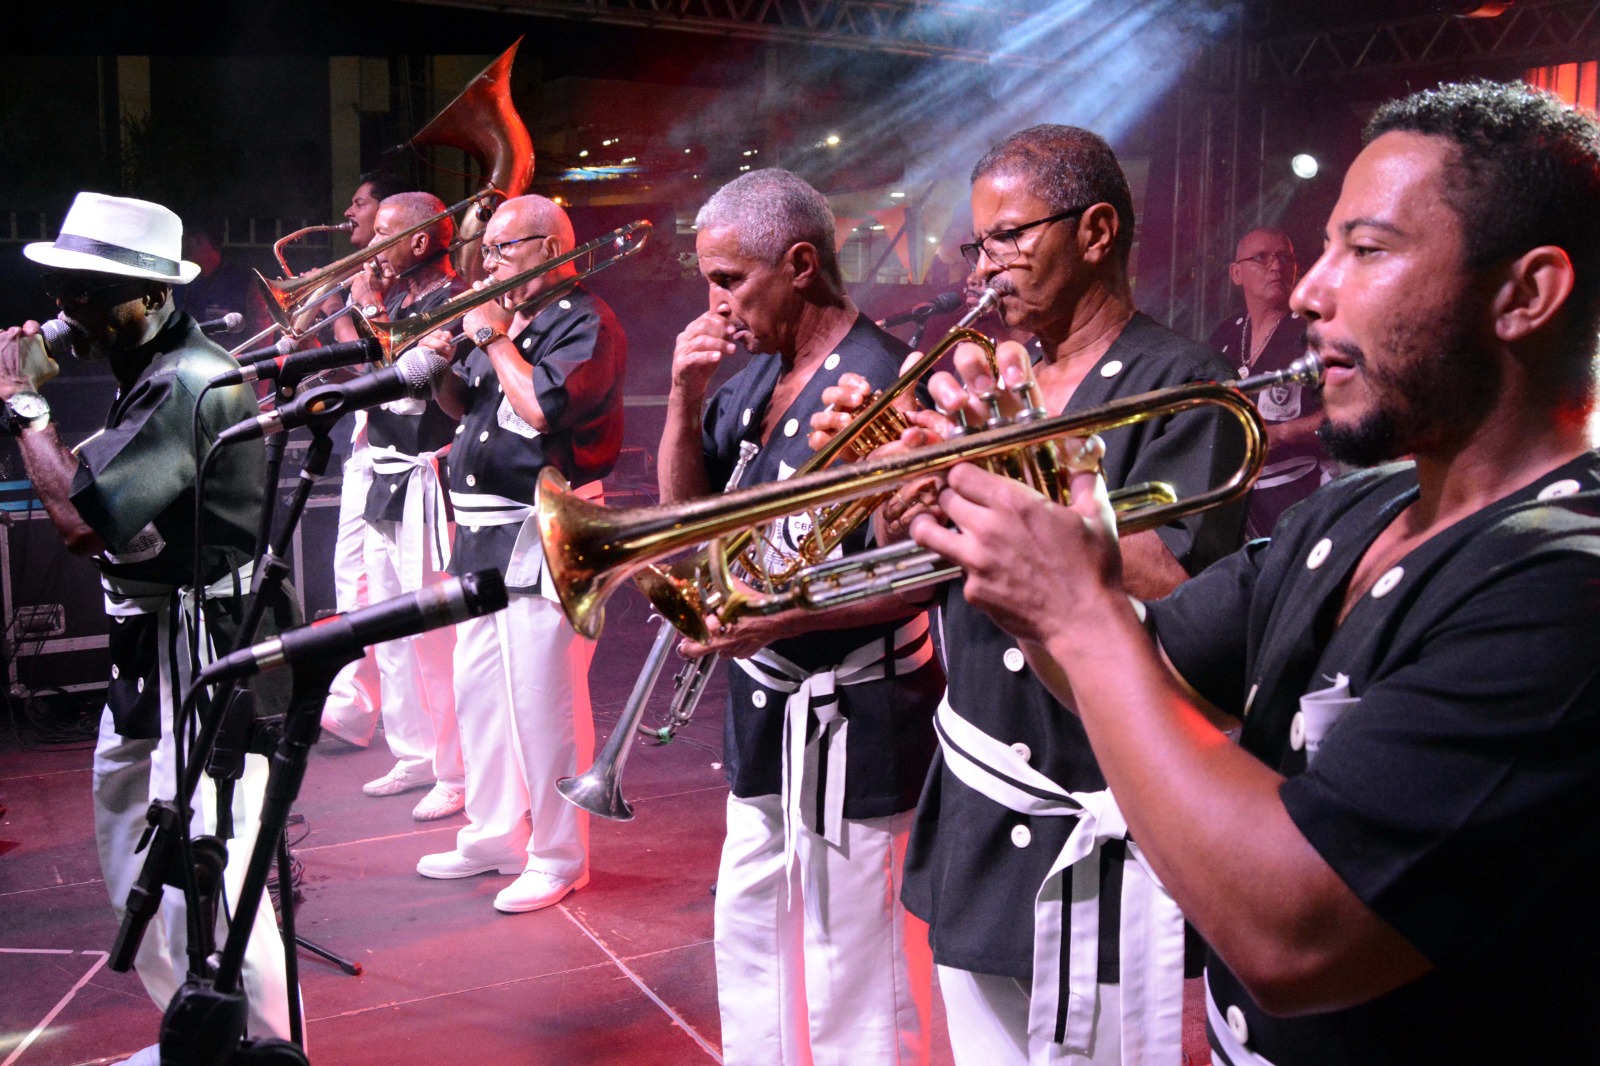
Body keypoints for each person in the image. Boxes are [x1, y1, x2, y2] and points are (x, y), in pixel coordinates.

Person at [910, 80, 1600, 1063]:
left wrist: (1072, 609)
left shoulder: (1563, 586)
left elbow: (1295, 932)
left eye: (1364, 250)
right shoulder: (1357, 509)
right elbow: (1146, 672)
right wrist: (1015, 549)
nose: (1312, 289)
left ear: (1525, 293)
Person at [817, 126, 1249, 1065]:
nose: (987, 267)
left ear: (1096, 232)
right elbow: (913, 555)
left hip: (1100, 806)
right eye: (979, 244)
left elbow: (1181, 580)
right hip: (977, 795)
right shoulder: (968, 389)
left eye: (1011, 237)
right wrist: (896, 492)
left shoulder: (1183, 381)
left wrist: (1008, 470)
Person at [0, 193, 292, 1060]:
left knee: (210, 859)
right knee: (134, 837)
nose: (68, 311)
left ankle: (264, 1047)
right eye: (67, 292)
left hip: (202, 641)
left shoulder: (189, 382)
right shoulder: (150, 368)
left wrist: (24, 406)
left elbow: (85, 523)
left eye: (90, 294)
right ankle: (198, 1041)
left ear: (153, 297)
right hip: (154, 640)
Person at [661, 168, 940, 1066]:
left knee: (850, 947)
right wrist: (682, 401)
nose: (716, 303)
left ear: (802, 264)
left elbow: (929, 569)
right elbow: (684, 531)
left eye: (730, 279)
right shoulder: (752, 379)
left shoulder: (886, 376)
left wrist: (780, 622)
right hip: (766, 698)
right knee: (748, 919)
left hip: (858, 708)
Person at [417, 194, 625, 914]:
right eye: (491, 249)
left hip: (545, 526)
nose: (490, 261)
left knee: (544, 702)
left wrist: (491, 337)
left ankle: (561, 854)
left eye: (504, 249)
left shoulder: (585, 321)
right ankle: (496, 829)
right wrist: (449, 354)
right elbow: (460, 407)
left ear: (548, 247)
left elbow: (544, 409)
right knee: (480, 693)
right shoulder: (511, 320)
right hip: (479, 531)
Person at [324, 191, 468, 821]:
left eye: (387, 234)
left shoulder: (451, 300)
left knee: (431, 632)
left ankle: (455, 769)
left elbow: (409, 377)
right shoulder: (403, 299)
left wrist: (364, 310)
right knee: (387, 624)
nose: (375, 246)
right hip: (382, 471)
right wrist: (360, 311)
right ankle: (412, 752)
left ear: (418, 242)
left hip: (423, 476)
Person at [315, 169, 412, 755]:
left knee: (385, 590)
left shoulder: (404, 291)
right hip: (366, 443)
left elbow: (394, 376)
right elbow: (363, 373)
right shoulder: (370, 282)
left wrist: (353, 310)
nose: (349, 215)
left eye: (359, 205)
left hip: (402, 454)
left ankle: (390, 724)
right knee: (351, 581)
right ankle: (352, 709)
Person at [1207, 227, 1332, 536]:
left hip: (1303, 493)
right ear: (1237, 273)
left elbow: (1348, 414)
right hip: (1236, 499)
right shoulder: (1226, 334)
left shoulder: (1316, 331)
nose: (1276, 266)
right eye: (1261, 258)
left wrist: (1283, 433)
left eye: (1284, 257)